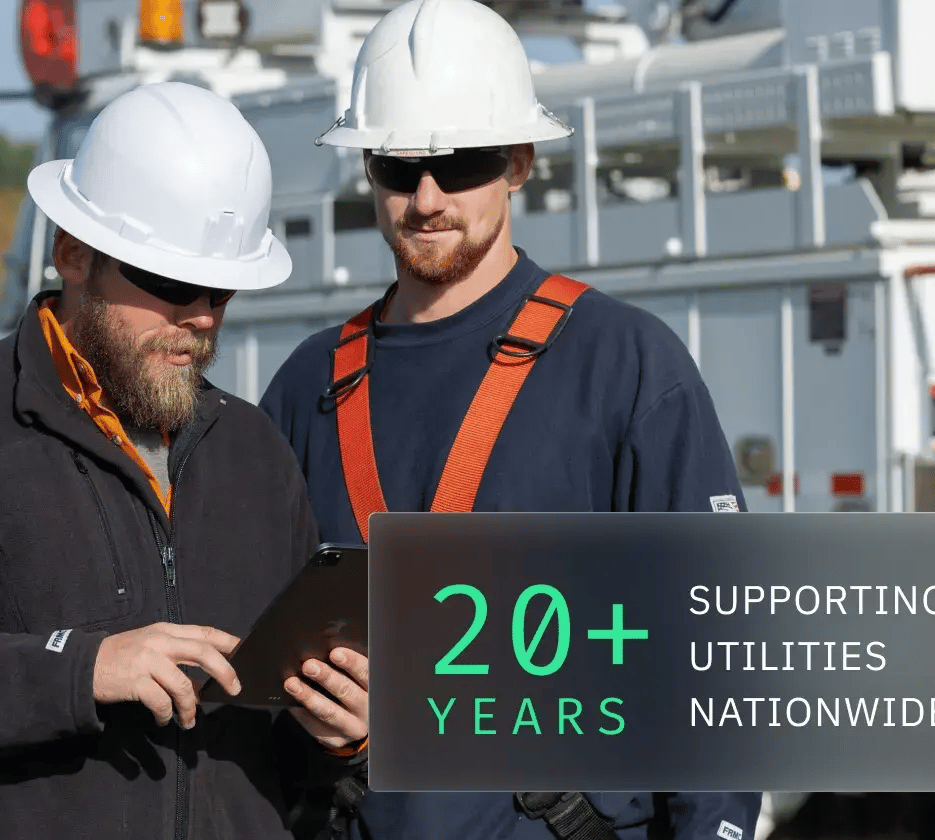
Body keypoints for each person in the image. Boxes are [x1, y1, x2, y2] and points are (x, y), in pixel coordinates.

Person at [258, 0, 763, 838]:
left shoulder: (624, 366)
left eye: (460, 163)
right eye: (397, 166)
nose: (425, 198)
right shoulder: (309, 383)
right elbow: (255, 652)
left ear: (519, 162)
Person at [0, 81, 367, 840]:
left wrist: (338, 736)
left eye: (222, 288)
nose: (201, 316)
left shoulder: (255, 452)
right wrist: (78, 670)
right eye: (172, 283)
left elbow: (278, 759)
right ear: (73, 254)